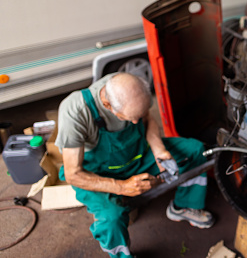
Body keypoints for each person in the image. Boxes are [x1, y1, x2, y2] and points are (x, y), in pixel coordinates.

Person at [55, 72, 214, 258]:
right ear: (107, 106)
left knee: (195, 150)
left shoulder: (130, 87)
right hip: (99, 172)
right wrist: (122, 187)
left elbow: (147, 119)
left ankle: (183, 206)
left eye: (138, 115)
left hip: (138, 156)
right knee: (111, 218)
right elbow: (73, 174)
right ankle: (122, 256)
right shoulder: (76, 111)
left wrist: (159, 150)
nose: (136, 122)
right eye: (130, 118)